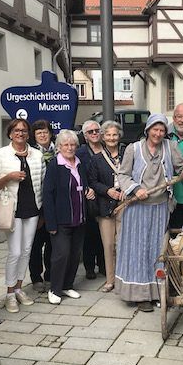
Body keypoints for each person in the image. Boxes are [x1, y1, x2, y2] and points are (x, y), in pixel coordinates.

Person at [117, 114, 183, 312]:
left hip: (160, 207)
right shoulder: (133, 149)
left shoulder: (170, 147)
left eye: (162, 130)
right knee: (138, 250)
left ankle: (157, 292)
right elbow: (123, 175)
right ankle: (140, 295)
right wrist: (135, 189)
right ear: (148, 129)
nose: (158, 134)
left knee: (157, 250)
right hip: (137, 209)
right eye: (155, 129)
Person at [0, 119, 45, 313]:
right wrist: (9, 177)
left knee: (27, 250)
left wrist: (42, 210)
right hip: (12, 209)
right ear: (10, 133)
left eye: (24, 130)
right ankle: (9, 293)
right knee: (15, 252)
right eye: (16, 130)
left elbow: (42, 183)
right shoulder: (0, 155)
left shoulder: (37, 154)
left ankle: (19, 288)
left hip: (33, 208)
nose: (20, 133)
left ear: (28, 134)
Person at [42, 130, 96, 304]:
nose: (70, 148)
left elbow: (84, 184)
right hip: (61, 220)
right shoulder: (54, 166)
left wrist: (89, 191)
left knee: (74, 254)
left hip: (79, 218)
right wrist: (50, 222)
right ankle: (55, 288)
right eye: (66, 144)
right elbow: (48, 195)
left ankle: (67, 285)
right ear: (59, 147)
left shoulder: (80, 163)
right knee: (61, 254)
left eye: (72, 144)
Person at [88, 121, 125, 293]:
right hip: (105, 206)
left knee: (122, 243)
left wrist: (127, 189)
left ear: (119, 136)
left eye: (114, 134)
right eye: (108, 135)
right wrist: (107, 190)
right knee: (108, 244)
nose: (111, 138)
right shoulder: (96, 159)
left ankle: (123, 278)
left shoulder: (127, 154)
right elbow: (93, 181)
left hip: (125, 204)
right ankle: (110, 280)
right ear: (103, 137)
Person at [28, 120, 56, 292]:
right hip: (37, 205)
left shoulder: (59, 150)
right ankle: (36, 276)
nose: (43, 135)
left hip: (55, 204)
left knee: (53, 242)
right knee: (36, 244)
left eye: (45, 132)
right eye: (39, 133)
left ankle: (51, 274)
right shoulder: (30, 153)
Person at [77, 120, 105, 280]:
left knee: (103, 234)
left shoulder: (107, 149)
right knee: (90, 234)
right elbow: (78, 174)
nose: (94, 133)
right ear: (85, 136)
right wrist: (87, 188)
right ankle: (89, 267)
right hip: (89, 198)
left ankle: (103, 265)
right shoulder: (80, 153)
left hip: (105, 196)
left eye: (96, 130)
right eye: (90, 132)